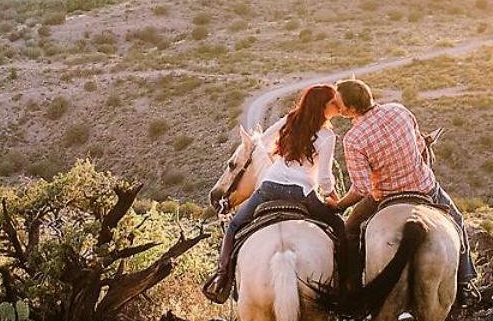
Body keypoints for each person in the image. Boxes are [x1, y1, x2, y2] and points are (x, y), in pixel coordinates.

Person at [329, 77, 476, 296]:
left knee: (350, 230)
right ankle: (464, 282)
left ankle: (352, 289)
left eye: (340, 106)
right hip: (424, 187)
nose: (338, 110)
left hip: (385, 196)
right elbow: (419, 146)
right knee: (456, 219)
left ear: (350, 110)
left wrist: (339, 205)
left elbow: (361, 188)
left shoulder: (353, 139)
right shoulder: (399, 110)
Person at [202, 84, 345, 303]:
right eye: (333, 103)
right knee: (338, 226)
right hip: (302, 192)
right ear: (323, 106)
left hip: (269, 186)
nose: (338, 106)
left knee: (234, 225)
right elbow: (325, 176)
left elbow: (264, 141)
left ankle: (222, 278)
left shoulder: (291, 119)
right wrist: (331, 196)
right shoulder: (327, 136)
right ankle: (345, 284)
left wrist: (278, 159)